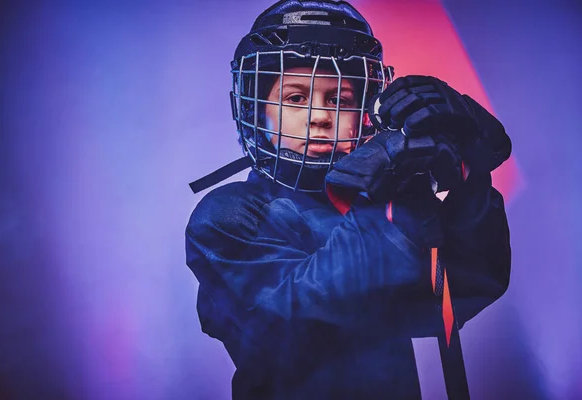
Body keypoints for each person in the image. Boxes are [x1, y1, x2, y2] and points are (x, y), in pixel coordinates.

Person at [185, 1, 512, 398]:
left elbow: (466, 287)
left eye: (339, 98)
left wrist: (470, 179)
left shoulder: (387, 198)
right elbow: (292, 327)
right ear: (257, 109)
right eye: (294, 98)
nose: (320, 116)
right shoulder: (228, 215)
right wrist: (375, 187)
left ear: (364, 112)